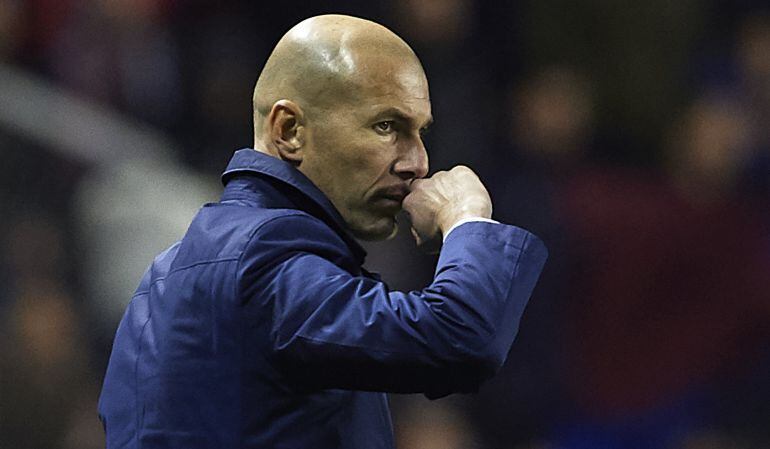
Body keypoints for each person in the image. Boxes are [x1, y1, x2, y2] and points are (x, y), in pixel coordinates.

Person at [98, 14, 547, 449]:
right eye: (387, 126)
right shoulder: (263, 259)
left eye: (420, 132)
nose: (419, 163)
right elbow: (457, 338)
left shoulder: (164, 274)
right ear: (288, 130)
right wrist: (466, 219)